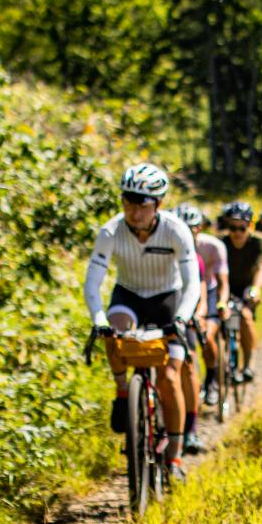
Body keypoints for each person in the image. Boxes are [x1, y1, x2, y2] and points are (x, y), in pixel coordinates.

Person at [83, 163, 200, 482]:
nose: (134, 211)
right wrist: (98, 319)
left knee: (169, 378)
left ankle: (174, 457)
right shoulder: (111, 231)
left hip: (167, 300)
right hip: (130, 295)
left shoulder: (176, 230)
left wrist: (182, 318)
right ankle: (124, 391)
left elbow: (193, 283)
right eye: (127, 202)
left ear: (158, 204)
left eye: (142, 204)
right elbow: (92, 282)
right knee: (112, 327)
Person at [177, 204, 229, 435]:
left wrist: (222, 303)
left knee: (207, 337)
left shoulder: (213, 247)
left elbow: (222, 281)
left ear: (199, 228)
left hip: (208, 293)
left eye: (192, 228)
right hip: (181, 293)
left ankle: (212, 378)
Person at [221, 200, 262, 380]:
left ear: (249, 226)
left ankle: (248, 364)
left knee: (246, 318)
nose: (237, 233)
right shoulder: (221, 243)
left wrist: (256, 289)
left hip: (247, 288)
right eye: (233, 228)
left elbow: (261, 268)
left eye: (242, 228)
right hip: (225, 287)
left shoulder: (257, 243)